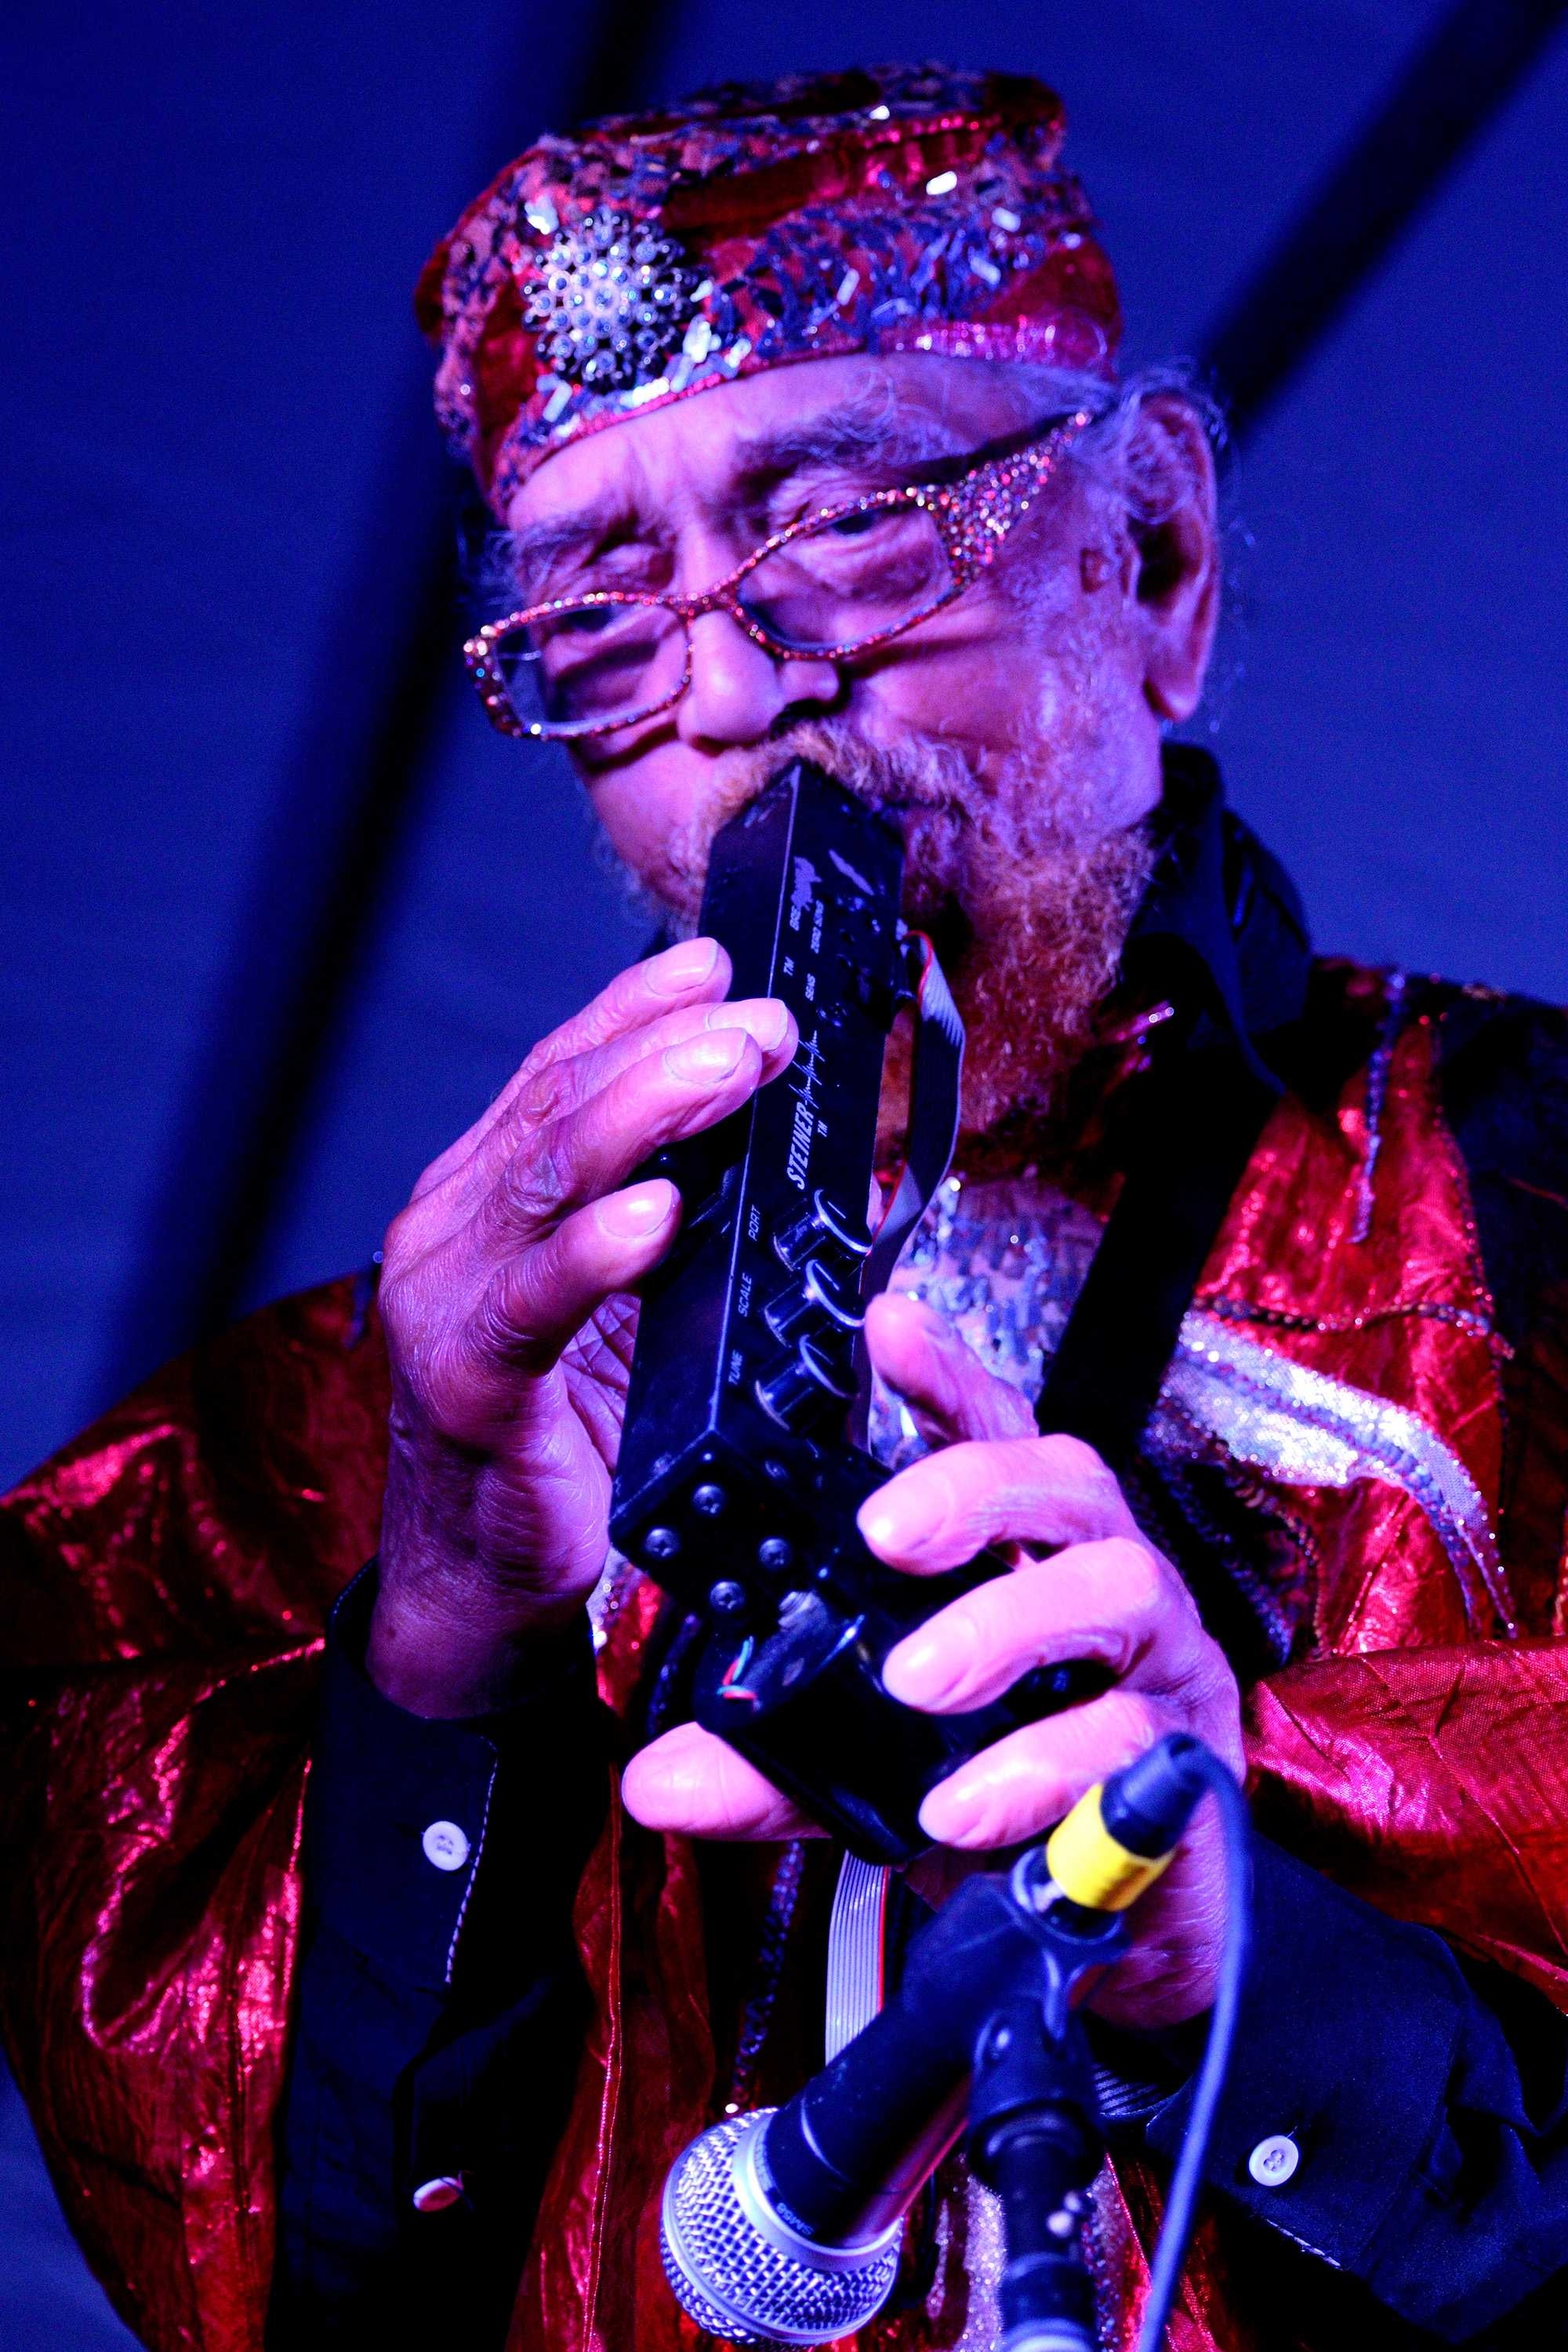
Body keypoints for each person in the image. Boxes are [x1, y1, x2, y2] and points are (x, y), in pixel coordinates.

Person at [4, 62, 1568, 2352]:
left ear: (1156, 560)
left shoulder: (1524, 1209)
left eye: (848, 527)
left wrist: (1248, 1957)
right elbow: (315, 2285)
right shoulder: (323, 1450)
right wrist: (448, 1602)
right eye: (606, 627)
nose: (738, 694)